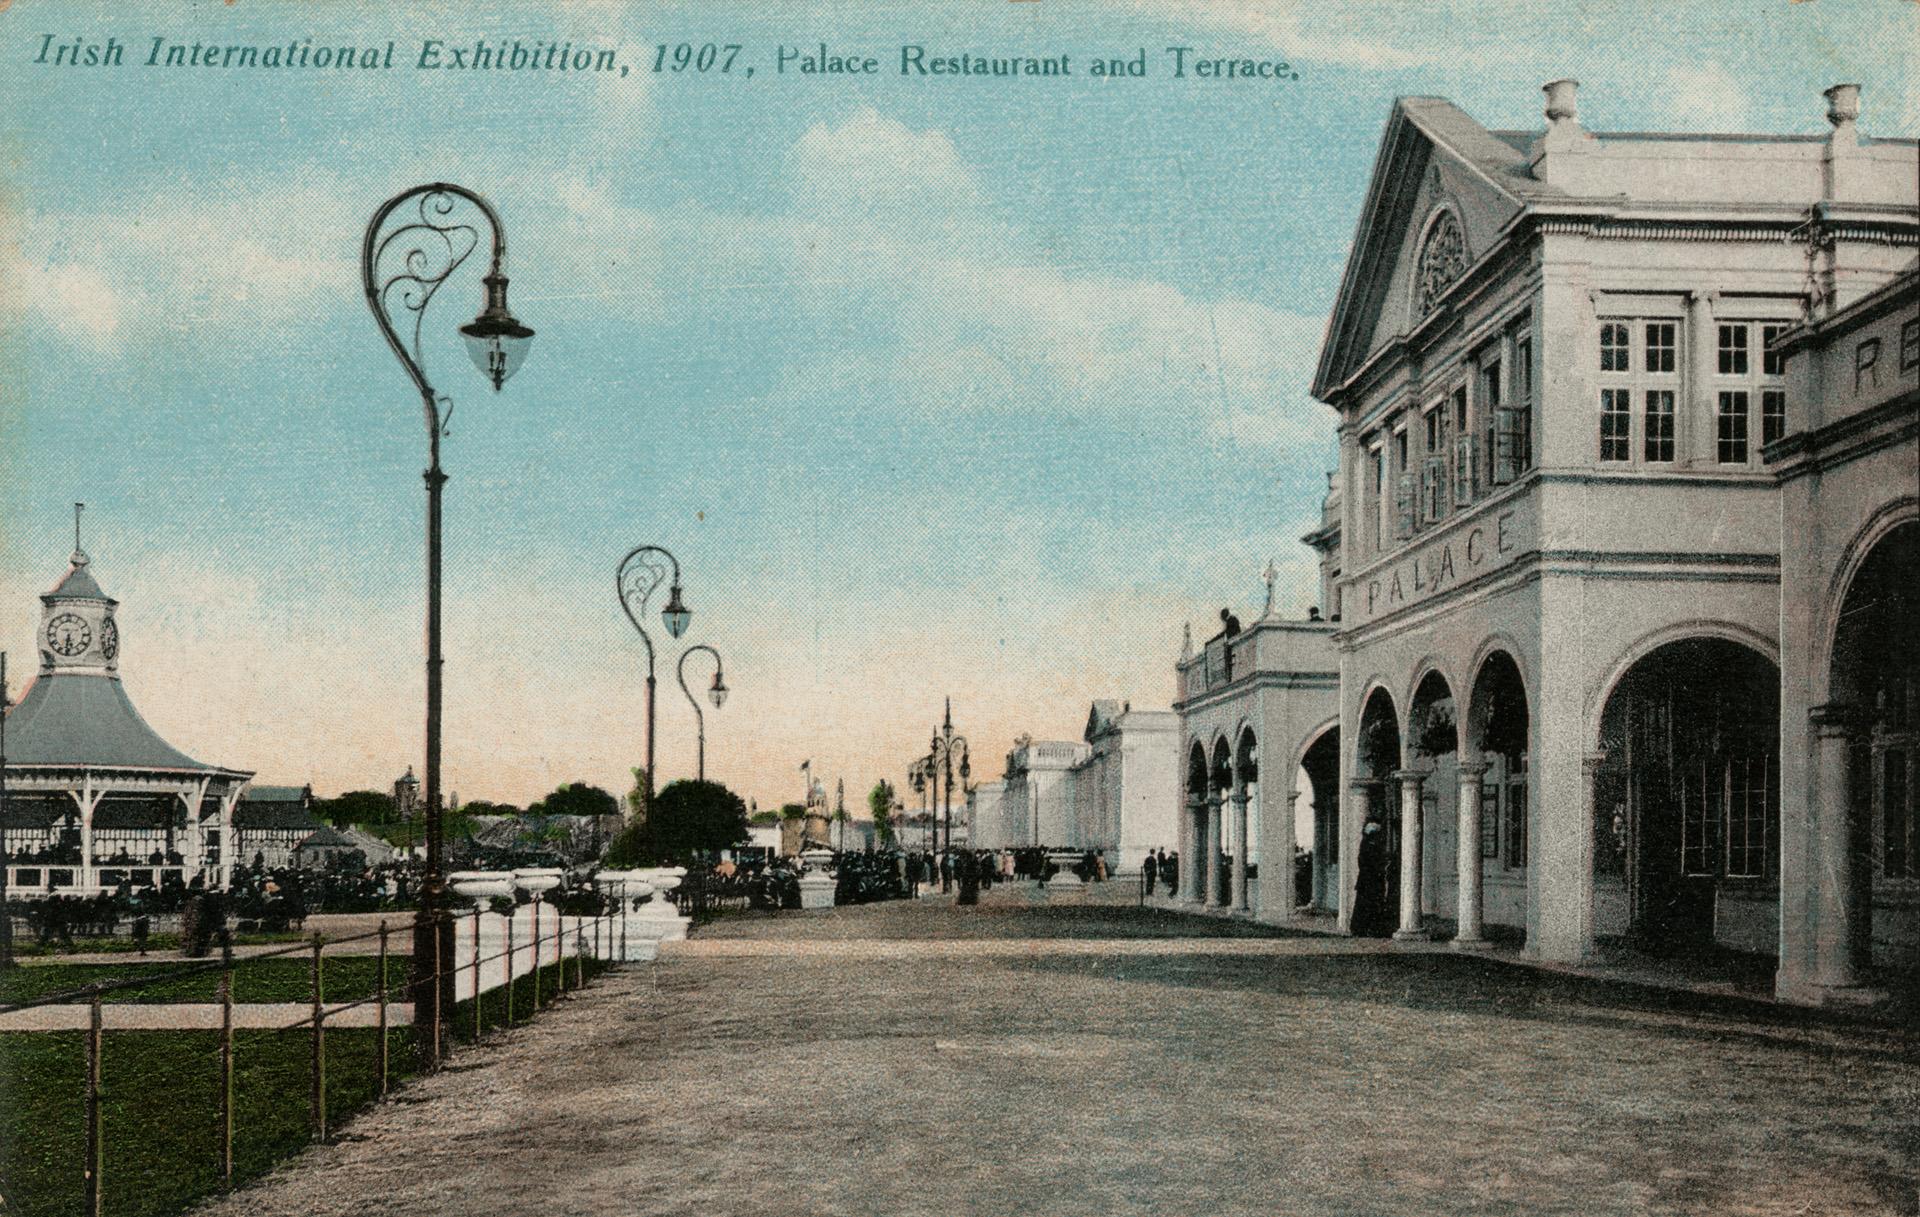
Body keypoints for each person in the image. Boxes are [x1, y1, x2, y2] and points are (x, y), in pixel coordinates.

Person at [1350, 811, 1393, 937]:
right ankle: (1367, 929)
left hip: (1368, 880)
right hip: (1370, 880)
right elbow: (1368, 863)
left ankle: (1365, 929)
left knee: (1367, 905)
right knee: (1369, 905)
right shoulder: (1369, 846)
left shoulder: (1366, 845)